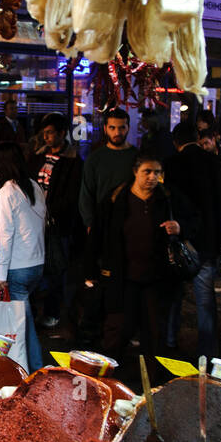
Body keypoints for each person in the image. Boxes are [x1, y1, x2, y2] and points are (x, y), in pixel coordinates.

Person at [85, 149, 200, 385]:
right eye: (147, 171)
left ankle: (153, 386)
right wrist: (91, 271)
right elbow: (97, 234)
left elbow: (195, 221)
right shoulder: (116, 198)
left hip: (158, 280)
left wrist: (180, 228)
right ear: (135, 172)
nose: (152, 177)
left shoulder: (168, 197)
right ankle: (108, 385)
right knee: (117, 332)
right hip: (123, 279)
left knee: (155, 335)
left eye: (157, 172)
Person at [163, 120, 221, 360]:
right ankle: (207, 353)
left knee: (174, 294)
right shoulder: (216, 162)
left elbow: (169, 202)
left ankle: (169, 342)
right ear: (197, 137)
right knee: (205, 298)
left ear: (176, 142)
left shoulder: (171, 164)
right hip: (209, 239)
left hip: (180, 239)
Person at [78, 108, 138, 345]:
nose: (117, 132)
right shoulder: (96, 158)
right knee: (102, 278)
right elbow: (86, 194)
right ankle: (101, 330)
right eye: (112, 127)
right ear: (105, 129)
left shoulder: (136, 157)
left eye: (121, 127)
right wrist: (90, 224)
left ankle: (122, 330)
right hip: (102, 227)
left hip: (130, 227)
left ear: (128, 128)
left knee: (127, 278)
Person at [0, 144, 47, 374]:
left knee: (24, 327)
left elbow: (5, 236)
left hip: (18, 268)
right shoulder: (35, 186)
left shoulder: (6, 193)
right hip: (37, 264)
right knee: (24, 321)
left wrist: (1, 275)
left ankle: (35, 371)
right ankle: (28, 370)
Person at [28, 112, 82, 329]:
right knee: (35, 267)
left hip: (57, 224)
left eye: (50, 133)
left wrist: (52, 211)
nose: (46, 137)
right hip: (34, 222)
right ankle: (34, 311)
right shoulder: (38, 156)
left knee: (56, 269)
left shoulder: (73, 161)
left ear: (62, 133)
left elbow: (72, 195)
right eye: (44, 133)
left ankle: (53, 312)